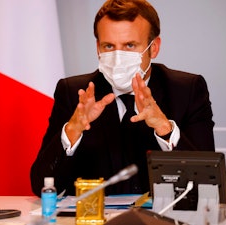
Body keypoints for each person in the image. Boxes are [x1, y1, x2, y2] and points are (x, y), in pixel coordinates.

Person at [30, 0, 215, 197]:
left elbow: (208, 183)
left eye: (129, 45)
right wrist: (73, 130)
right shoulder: (76, 93)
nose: (118, 58)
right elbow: (41, 186)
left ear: (154, 48)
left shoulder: (186, 90)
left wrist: (164, 128)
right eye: (109, 46)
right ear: (98, 48)